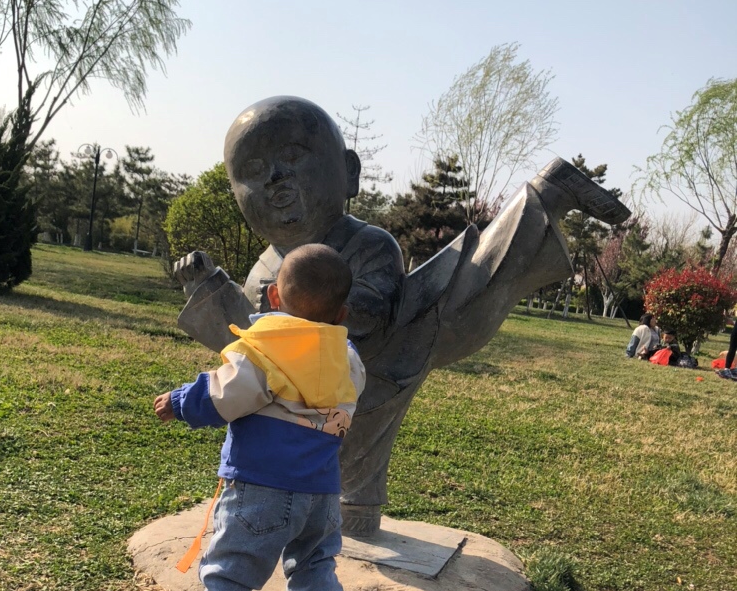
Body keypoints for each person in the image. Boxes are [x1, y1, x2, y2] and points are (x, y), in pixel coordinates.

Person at [174, 96, 630, 534]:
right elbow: (248, 342)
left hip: (369, 374)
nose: (275, 178)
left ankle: (545, 197)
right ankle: (339, 510)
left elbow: (369, 317)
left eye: (293, 157)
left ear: (349, 173)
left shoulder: (369, 244)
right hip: (305, 402)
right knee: (318, 470)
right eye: (254, 171)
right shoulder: (263, 268)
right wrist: (210, 288)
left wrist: (305, 318)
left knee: (469, 289)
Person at [154, 243, 366, 591]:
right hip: (321, 493)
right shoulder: (347, 359)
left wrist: (180, 402)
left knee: (233, 567)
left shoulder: (264, 349)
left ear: (273, 297)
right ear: (342, 314)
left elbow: (224, 394)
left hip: (259, 487)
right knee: (315, 563)